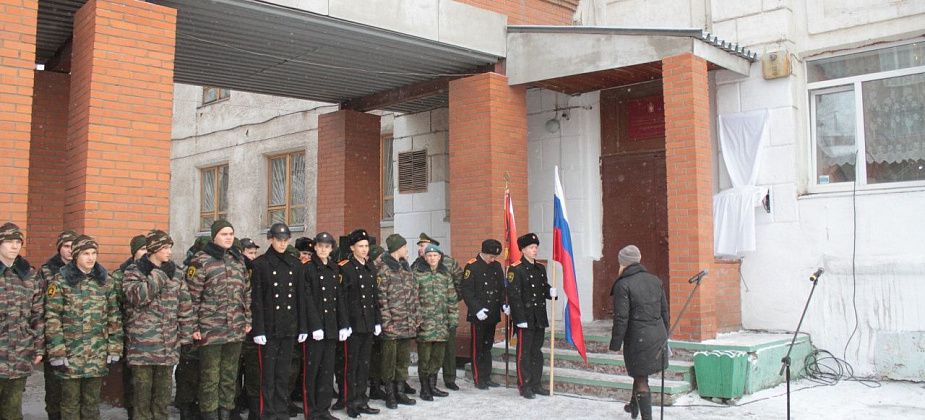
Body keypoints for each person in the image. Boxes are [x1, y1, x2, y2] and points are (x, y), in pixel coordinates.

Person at [45, 234, 124, 419]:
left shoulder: (105, 281)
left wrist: (114, 348)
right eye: (86, 253)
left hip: (96, 354)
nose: (91, 258)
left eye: (94, 253)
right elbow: (52, 317)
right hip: (71, 355)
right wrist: (57, 352)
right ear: (75, 256)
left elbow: (114, 315)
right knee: (70, 404)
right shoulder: (60, 282)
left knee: (91, 405)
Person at [122, 230, 194, 420]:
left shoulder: (177, 273)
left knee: (162, 403)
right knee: (142, 403)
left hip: (167, 347)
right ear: (153, 249)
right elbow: (138, 297)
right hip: (142, 348)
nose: (169, 252)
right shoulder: (134, 271)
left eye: (170, 247)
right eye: (164, 248)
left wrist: (186, 339)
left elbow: (184, 306)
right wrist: (160, 275)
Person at [186, 220, 252, 420]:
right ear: (214, 236)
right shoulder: (201, 260)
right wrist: (193, 326)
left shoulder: (238, 260)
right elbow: (191, 297)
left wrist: (247, 318)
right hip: (210, 330)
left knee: (229, 377)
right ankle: (209, 415)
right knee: (210, 377)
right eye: (224, 234)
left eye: (231, 233)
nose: (229, 237)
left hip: (235, 328)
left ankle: (225, 413)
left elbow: (246, 292)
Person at [250, 223, 312, 420]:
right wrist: (258, 329)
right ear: (270, 239)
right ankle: (268, 413)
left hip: (288, 327)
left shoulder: (295, 264)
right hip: (268, 328)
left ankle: (281, 410)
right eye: (279, 240)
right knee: (267, 374)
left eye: (286, 240)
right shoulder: (260, 264)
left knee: (284, 373)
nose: (283, 244)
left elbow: (300, 298)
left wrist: (302, 326)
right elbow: (257, 299)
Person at [609, 245, 669, 420]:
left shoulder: (623, 284)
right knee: (640, 372)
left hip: (638, 338)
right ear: (639, 259)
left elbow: (621, 318)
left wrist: (615, 342)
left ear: (622, 263)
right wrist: (665, 335)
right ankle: (634, 407)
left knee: (641, 378)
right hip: (657, 335)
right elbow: (664, 311)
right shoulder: (655, 280)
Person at [303, 232, 349, 420]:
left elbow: (338, 298)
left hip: (330, 328)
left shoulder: (333, 268)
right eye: (320, 246)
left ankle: (323, 410)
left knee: (327, 371)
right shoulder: (307, 268)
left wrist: (343, 324)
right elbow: (307, 299)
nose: (323, 249)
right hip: (315, 330)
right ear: (315, 247)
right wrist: (315, 326)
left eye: (327, 246)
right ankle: (311, 411)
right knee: (312, 371)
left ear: (331, 249)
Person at [0, 223, 44, 419]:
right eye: (9, 241)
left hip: (19, 353)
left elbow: (37, 314)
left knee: (12, 410)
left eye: (18, 241)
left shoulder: (29, 275)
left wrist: (39, 347)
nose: (14, 246)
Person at [508, 233, 557, 399]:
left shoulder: (540, 268)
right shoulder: (516, 269)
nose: (535, 250)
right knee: (525, 353)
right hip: (525, 319)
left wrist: (550, 292)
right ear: (523, 249)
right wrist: (519, 319)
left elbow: (543, 288)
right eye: (531, 247)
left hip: (539, 317)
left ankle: (536, 384)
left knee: (537, 352)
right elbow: (514, 296)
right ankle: (525, 385)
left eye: (536, 247)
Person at [411, 233, 463, 391]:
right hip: (425, 323)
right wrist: (417, 320)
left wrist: (452, 319)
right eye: (429, 255)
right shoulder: (417, 270)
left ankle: (435, 384)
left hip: (442, 322)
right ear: (426, 257)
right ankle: (425, 387)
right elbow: (412, 299)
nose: (432, 258)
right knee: (425, 357)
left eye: (435, 255)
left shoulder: (445, 272)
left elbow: (453, 296)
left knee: (440, 356)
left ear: (439, 256)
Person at [338, 229, 381, 418]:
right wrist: (344, 324)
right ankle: (350, 403)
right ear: (352, 248)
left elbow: (374, 298)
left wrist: (377, 321)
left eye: (366, 246)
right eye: (360, 246)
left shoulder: (371, 267)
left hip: (368, 324)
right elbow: (341, 299)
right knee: (351, 366)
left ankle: (362, 400)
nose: (364, 250)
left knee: (364, 365)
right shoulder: (345, 267)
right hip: (353, 326)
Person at [376, 234, 420, 409]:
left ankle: (400, 391)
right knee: (389, 361)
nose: (406, 250)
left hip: (407, 323)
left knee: (403, 360)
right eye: (404, 246)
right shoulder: (384, 270)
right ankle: (390, 394)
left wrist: (417, 316)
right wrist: (387, 323)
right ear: (397, 248)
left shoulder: (405, 268)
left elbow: (413, 294)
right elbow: (382, 299)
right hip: (392, 324)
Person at [38, 229, 78, 420]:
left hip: (75, 338)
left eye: (73, 246)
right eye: (66, 246)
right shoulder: (47, 271)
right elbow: (40, 303)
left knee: (72, 391)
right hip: (53, 334)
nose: (70, 250)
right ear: (59, 248)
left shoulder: (82, 270)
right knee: (53, 387)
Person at [108, 234, 147, 419]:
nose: (146, 253)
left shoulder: (151, 272)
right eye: (142, 249)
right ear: (134, 252)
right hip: (125, 332)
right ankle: (132, 411)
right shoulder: (119, 275)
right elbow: (115, 304)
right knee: (130, 380)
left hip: (145, 334)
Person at [460, 239, 506, 390]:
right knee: (478, 347)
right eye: (491, 257)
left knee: (487, 346)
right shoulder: (472, 266)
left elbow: (501, 289)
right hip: (478, 314)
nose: (493, 260)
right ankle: (478, 378)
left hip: (491, 313)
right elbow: (467, 290)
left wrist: (503, 304)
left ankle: (487, 376)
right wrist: (477, 309)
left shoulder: (497, 266)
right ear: (484, 253)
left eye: (495, 257)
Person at [176, 235, 211, 419]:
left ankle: (196, 404)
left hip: (205, 325)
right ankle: (185, 405)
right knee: (187, 371)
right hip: (190, 324)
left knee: (202, 370)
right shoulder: (193, 267)